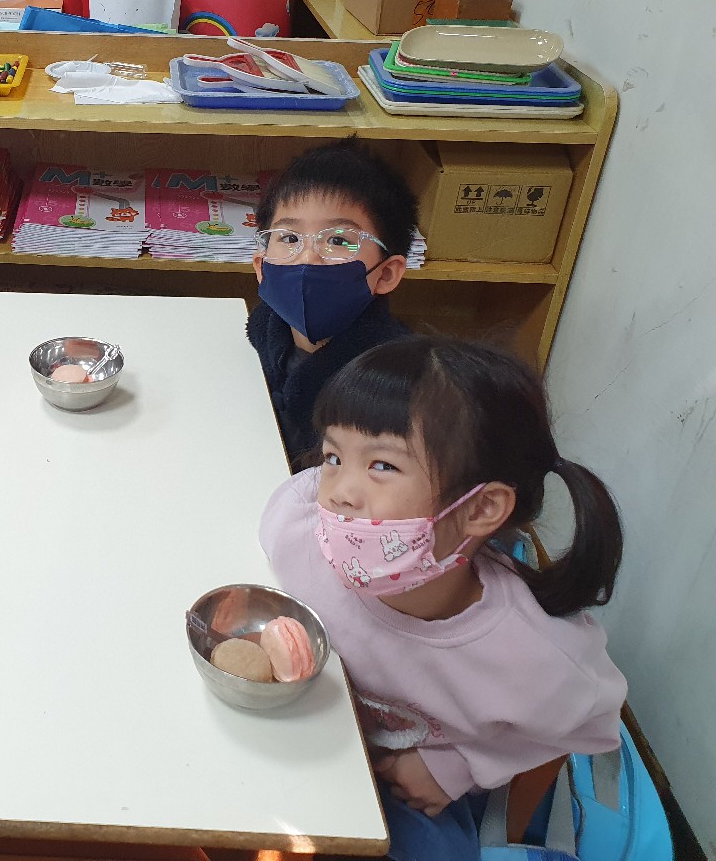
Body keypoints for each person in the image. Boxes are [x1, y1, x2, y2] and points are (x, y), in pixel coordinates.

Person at [259, 337, 626, 861]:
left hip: (405, 780)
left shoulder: (536, 654)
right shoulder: (298, 530)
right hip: (310, 736)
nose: (337, 491)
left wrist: (456, 766)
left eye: (382, 466)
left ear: (481, 509)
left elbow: (592, 721)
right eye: (334, 456)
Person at [247, 138, 417, 468]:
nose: (308, 258)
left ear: (385, 274)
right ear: (261, 267)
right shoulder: (263, 330)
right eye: (290, 238)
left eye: (338, 240)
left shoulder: (394, 389)